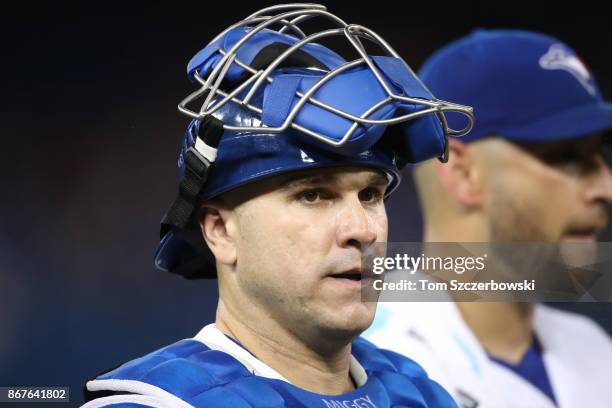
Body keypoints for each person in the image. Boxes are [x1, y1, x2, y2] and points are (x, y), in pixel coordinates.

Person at [80, 4, 474, 408]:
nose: (362, 229)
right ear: (220, 230)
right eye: (313, 195)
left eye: (370, 194)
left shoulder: (426, 394)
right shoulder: (161, 403)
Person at [364, 29, 612, 408]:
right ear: (464, 174)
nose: (605, 188)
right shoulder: (365, 366)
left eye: (600, 157)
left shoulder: (594, 348)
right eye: (566, 156)